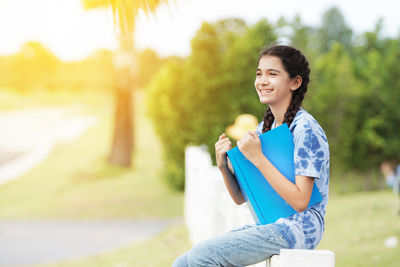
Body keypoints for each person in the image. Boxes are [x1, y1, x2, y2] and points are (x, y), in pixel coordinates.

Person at [172, 45, 330, 267]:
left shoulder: (306, 129)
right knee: (183, 262)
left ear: (295, 82)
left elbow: (301, 200)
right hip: (270, 222)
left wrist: (258, 158)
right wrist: (223, 166)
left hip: (298, 228)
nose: (262, 81)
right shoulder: (264, 129)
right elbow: (240, 197)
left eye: (272, 74)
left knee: (202, 256)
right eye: (259, 74)